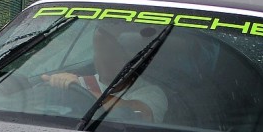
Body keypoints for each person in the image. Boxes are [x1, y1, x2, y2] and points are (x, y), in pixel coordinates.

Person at [41, 25, 169, 122]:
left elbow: (132, 112)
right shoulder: (79, 83)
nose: (105, 61)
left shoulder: (152, 93)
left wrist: (86, 91)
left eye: (112, 55)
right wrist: (56, 83)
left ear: (131, 60)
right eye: (100, 53)